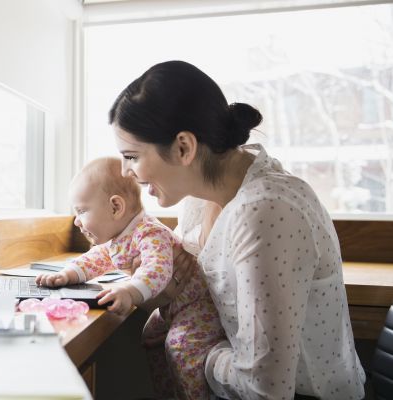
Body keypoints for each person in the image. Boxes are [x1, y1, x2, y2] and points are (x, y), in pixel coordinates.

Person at [108, 60, 366, 399]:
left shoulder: (266, 211)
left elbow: (265, 389)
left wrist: (204, 351)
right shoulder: (199, 202)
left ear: (184, 147)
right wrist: (162, 294)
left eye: (132, 156)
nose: (127, 172)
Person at [35, 156, 225, 399]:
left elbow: (157, 271)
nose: (76, 221)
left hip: (197, 308)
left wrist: (129, 290)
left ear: (116, 207)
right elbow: (96, 259)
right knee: (150, 336)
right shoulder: (121, 237)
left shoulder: (149, 232)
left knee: (180, 348)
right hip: (173, 307)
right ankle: (167, 391)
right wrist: (66, 274)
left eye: (81, 211)